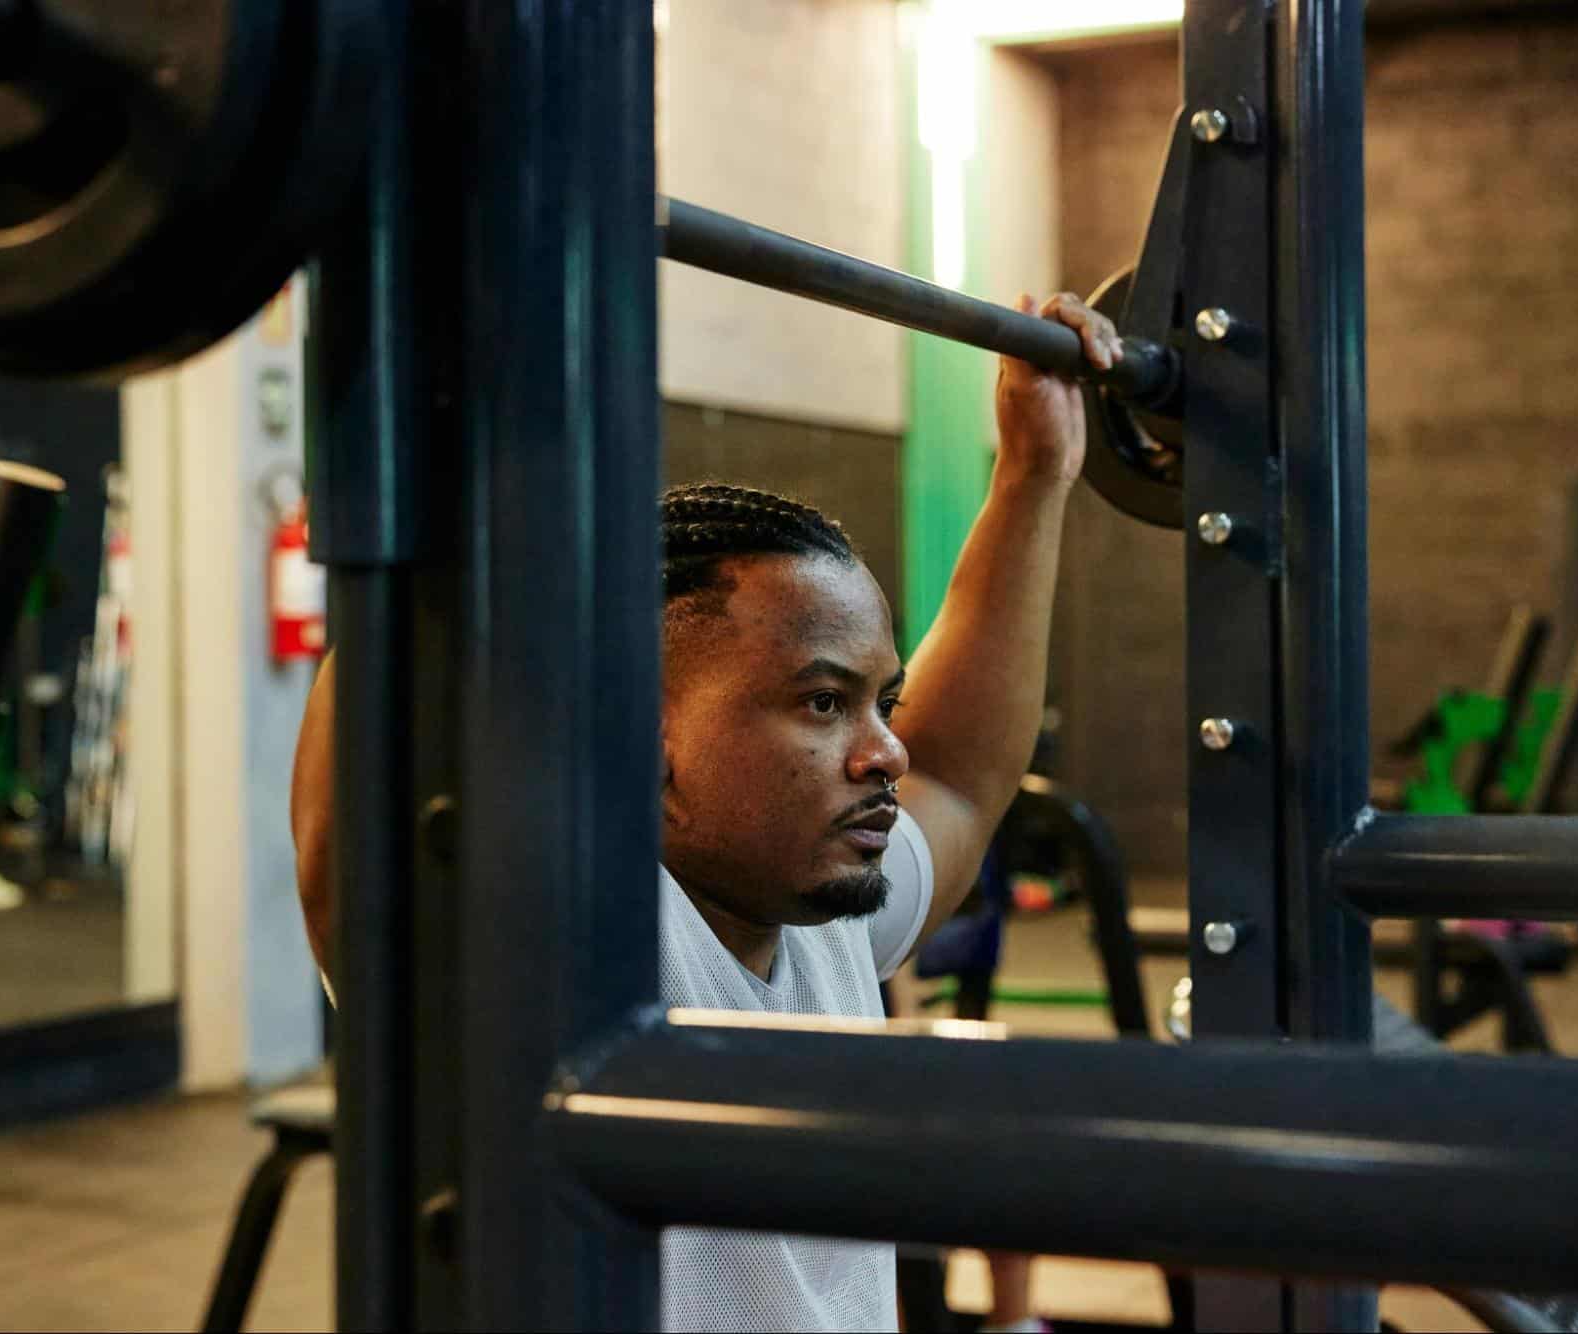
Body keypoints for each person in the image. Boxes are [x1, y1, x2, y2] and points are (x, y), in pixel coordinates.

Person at [290, 292, 1120, 1333]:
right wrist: (462, 403)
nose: (886, 751)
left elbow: (955, 773)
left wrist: (1034, 473)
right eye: (823, 703)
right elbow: (362, 828)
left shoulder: (825, 925)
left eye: (884, 701)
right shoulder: (563, 964)